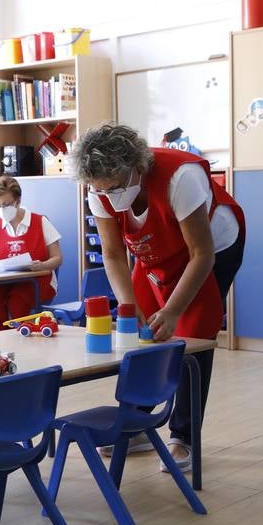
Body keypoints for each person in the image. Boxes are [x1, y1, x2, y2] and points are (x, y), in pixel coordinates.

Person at [70, 123, 245, 470]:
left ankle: (184, 437)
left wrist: (174, 310)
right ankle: (136, 424)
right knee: (142, 337)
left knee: (191, 340)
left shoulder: (180, 179)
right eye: (101, 191)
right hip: (156, 253)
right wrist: (128, 306)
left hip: (212, 249)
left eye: (116, 187)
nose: (109, 196)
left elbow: (201, 254)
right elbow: (114, 254)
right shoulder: (99, 187)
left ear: (137, 166)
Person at [0, 175, 63, 328]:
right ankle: (5, 331)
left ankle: (17, 333)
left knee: (17, 301)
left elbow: (57, 258)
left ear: (18, 201)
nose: (2, 210)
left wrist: (43, 265)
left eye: (6, 204)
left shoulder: (40, 221)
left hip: (36, 282)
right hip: (4, 282)